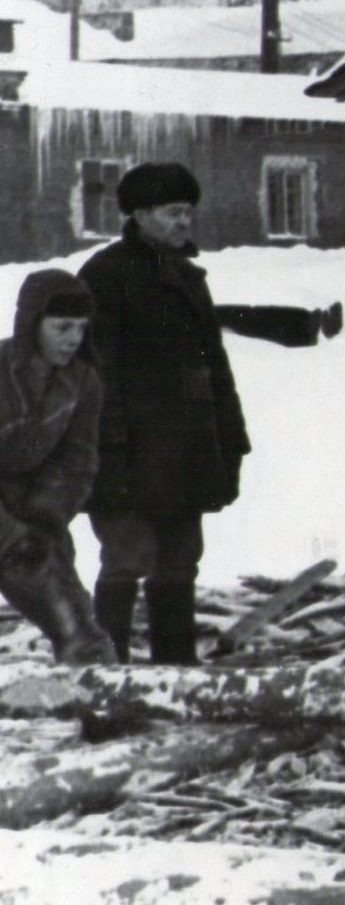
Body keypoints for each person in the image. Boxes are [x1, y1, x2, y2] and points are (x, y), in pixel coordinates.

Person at [76, 162, 251, 665]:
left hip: (186, 450)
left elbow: (215, 369)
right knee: (126, 558)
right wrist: (107, 452)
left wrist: (231, 439)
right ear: (141, 214)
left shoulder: (187, 276)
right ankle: (106, 678)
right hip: (127, 451)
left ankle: (176, 673)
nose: (184, 223)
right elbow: (93, 374)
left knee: (179, 560)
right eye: (174, 213)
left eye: (188, 213)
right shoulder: (104, 276)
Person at [0, 270, 117, 664]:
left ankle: (97, 692)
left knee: (73, 615)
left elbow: (77, 459)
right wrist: (13, 534)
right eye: (62, 326)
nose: (73, 339)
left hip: (25, 502)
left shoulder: (82, 381)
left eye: (81, 328)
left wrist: (46, 514)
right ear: (32, 323)